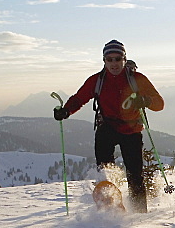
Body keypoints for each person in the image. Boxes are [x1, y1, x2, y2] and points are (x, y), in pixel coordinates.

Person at [53, 40, 164, 212]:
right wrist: (65, 111)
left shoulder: (137, 79)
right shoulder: (97, 80)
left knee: (135, 176)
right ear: (104, 61)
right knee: (105, 173)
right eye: (109, 59)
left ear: (124, 59)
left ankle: (139, 215)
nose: (114, 63)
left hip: (132, 130)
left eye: (117, 58)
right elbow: (79, 98)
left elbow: (160, 103)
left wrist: (146, 100)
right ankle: (109, 210)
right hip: (107, 128)